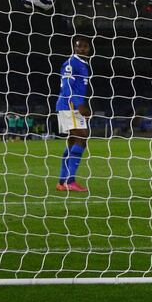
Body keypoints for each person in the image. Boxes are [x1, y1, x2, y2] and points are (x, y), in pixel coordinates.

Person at [55, 36, 92, 192]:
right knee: (82, 137)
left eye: (85, 46)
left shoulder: (83, 64)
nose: (82, 49)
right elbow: (67, 86)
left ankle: (62, 182)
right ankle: (70, 181)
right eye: (79, 46)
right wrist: (79, 105)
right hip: (68, 105)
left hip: (70, 105)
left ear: (89, 48)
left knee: (72, 141)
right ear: (74, 48)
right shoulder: (71, 63)